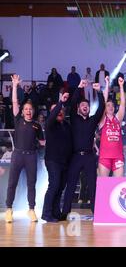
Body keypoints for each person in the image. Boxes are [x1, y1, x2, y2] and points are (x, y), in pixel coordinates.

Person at [61, 79, 104, 219]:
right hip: (76, 157)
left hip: (89, 157)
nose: (85, 106)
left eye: (87, 105)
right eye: (82, 105)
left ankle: (96, 212)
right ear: (79, 108)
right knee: (71, 184)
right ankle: (65, 211)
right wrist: (79, 88)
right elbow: (72, 103)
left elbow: (101, 107)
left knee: (92, 185)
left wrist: (99, 92)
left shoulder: (92, 120)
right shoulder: (74, 118)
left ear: (89, 108)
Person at [5, 74, 45, 223]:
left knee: (31, 184)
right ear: (22, 111)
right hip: (18, 155)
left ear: (33, 111)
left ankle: (31, 209)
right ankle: (9, 209)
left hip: (31, 157)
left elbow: (42, 142)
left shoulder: (37, 125)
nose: (28, 111)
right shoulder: (18, 120)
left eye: (30, 109)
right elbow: (15, 101)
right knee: (12, 183)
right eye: (26, 109)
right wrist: (14, 85)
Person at [41, 92, 72, 222]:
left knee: (60, 188)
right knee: (53, 186)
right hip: (53, 161)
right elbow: (54, 114)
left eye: (61, 110)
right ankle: (46, 214)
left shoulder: (66, 125)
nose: (59, 112)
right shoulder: (49, 124)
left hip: (65, 162)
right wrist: (60, 103)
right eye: (56, 110)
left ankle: (56, 212)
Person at [98, 76, 126, 177]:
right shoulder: (102, 120)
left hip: (118, 157)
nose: (111, 107)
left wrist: (121, 86)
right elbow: (103, 102)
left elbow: (123, 104)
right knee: (104, 185)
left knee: (118, 185)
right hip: (105, 157)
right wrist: (107, 84)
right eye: (108, 105)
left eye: (112, 106)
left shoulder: (117, 119)